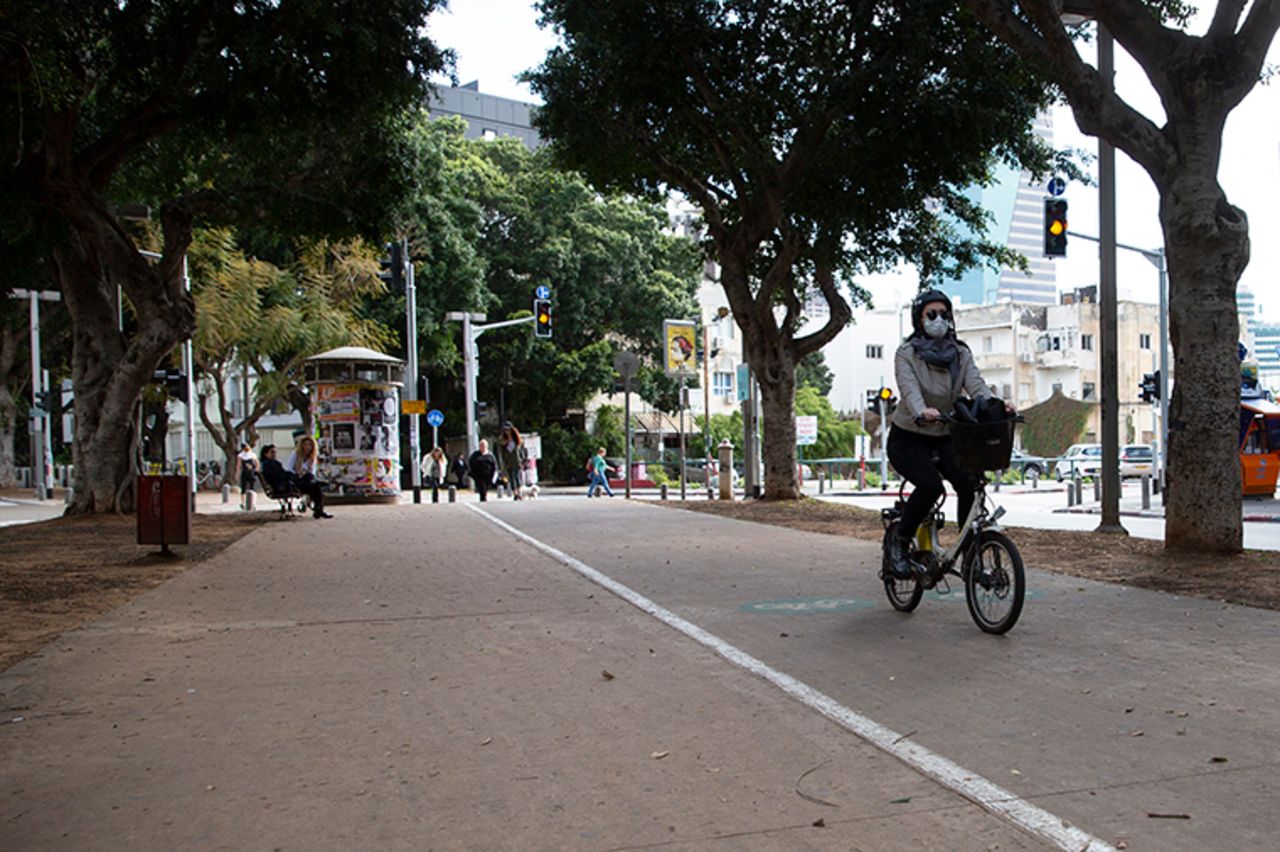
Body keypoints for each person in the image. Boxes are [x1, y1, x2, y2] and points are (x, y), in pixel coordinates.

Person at [885, 288, 1013, 579]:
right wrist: (921, 410)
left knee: (968, 483)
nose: (938, 320)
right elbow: (909, 389)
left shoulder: (960, 353)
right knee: (931, 487)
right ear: (919, 319)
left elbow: (976, 386)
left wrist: (998, 405)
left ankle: (968, 553)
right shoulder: (906, 354)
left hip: (945, 434)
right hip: (909, 436)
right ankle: (899, 543)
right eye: (932, 314)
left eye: (944, 314)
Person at [282, 435, 333, 519]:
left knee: (315, 487)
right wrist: (299, 473)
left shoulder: (312, 457)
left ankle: (319, 510)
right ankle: (318, 510)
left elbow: (312, 471)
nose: (307, 447)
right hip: (296, 480)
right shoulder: (296, 454)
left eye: (309, 445)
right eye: (305, 444)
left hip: (307, 480)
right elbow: (290, 468)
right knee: (315, 485)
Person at [497, 423, 530, 500]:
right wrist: (503, 463)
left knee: (517, 477)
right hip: (508, 463)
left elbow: (523, 451)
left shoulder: (517, 439)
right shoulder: (503, 441)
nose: (507, 432)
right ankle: (515, 493)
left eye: (508, 430)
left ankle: (519, 493)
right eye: (505, 430)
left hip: (517, 462)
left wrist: (523, 460)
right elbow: (501, 453)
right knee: (511, 478)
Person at [235, 442, 258, 509]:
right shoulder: (243, 455)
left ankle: (249, 503)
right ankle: (247, 503)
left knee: (249, 488)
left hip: (248, 473)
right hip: (248, 473)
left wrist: (237, 474)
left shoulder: (250, 455)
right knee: (247, 488)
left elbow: (238, 466)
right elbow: (238, 466)